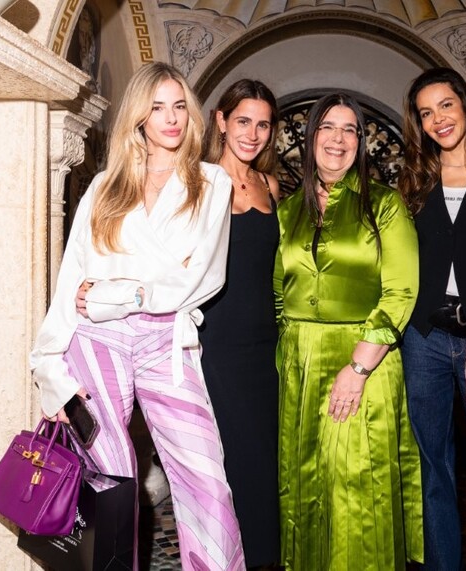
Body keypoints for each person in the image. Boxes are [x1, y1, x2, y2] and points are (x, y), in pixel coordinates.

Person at [30, 62, 245, 571]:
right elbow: (71, 281)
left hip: (165, 342)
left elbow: (203, 277)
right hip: (95, 341)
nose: (171, 118)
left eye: (179, 106)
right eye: (157, 107)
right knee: (113, 480)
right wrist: (48, 369)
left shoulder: (211, 182)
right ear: (139, 118)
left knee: (207, 479)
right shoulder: (105, 185)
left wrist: (118, 295)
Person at [273, 92, 424, 570]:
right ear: (311, 136)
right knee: (305, 486)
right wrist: (290, 351)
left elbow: (400, 292)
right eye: (328, 127)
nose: (338, 139)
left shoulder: (385, 205)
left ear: (360, 142)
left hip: (365, 359)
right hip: (300, 363)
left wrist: (357, 368)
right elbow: (279, 292)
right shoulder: (288, 210)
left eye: (350, 130)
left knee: (357, 491)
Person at [398, 68, 466, 570]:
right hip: (424, 339)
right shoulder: (414, 183)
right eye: (426, 113)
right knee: (433, 466)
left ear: (465, 105)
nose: (438, 119)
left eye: (445, 105)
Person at [200, 78, 281, 569]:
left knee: (266, 462)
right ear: (221, 121)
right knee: (232, 461)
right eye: (243, 121)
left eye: (263, 125)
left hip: (267, 345)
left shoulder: (270, 185)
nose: (252, 134)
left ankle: (266, 559)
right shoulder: (198, 181)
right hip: (216, 342)